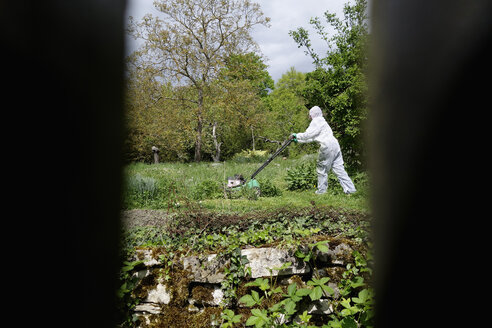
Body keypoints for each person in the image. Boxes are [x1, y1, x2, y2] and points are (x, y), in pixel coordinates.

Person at [290, 106, 356, 195]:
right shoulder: (323, 122)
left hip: (327, 146)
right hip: (335, 144)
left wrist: (296, 135)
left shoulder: (316, 121)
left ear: (312, 114)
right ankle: (351, 190)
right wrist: (298, 140)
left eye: (310, 114)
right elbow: (313, 138)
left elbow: (308, 135)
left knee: (322, 169)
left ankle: (321, 192)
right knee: (339, 168)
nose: (309, 117)